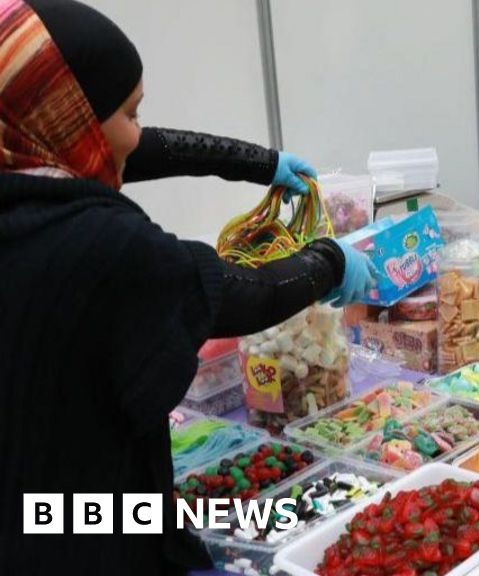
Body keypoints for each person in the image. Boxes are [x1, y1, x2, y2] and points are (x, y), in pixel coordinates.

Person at [0, 0, 372, 573]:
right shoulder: (99, 244)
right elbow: (237, 294)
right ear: (69, 122)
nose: (138, 132)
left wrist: (259, 163)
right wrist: (328, 261)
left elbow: (133, 146)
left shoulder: (20, 159)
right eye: (132, 112)